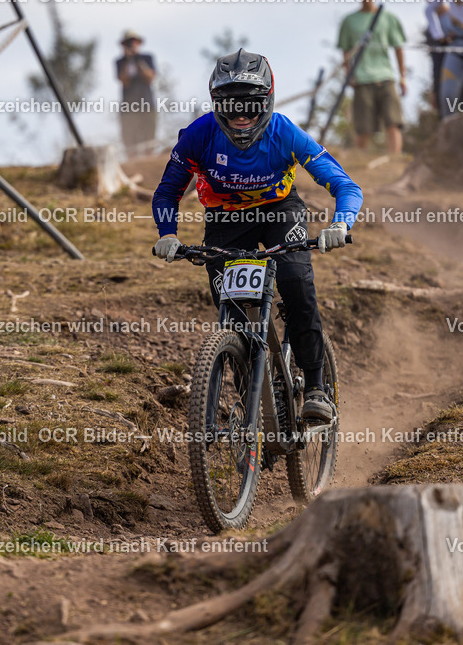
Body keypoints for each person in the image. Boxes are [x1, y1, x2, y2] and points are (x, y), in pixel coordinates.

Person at [151, 49, 364, 425]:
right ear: (217, 105)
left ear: (267, 101)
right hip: (226, 220)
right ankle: (254, 405)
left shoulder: (284, 132)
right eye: (231, 106)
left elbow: (344, 184)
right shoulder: (198, 136)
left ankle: (315, 388)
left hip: (279, 213)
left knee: (296, 283)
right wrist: (167, 233)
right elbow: (167, 192)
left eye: (250, 105)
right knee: (232, 313)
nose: (240, 116)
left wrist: (340, 225)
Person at [336, 0, 406, 154]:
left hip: (386, 76)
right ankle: (361, 162)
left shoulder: (388, 18)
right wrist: (349, 74)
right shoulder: (349, 21)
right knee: (363, 127)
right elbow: (345, 51)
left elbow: (398, 47)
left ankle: (395, 160)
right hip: (361, 79)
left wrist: (403, 77)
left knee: (393, 121)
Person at [115, 29, 157, 156]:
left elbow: (150, 77)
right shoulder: (120, 62)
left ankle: (149, 161)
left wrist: (138, 60)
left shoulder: (147, 58)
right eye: (128, 42)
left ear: (138, 43)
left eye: (132, 42)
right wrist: (128, 59)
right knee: (129, 139)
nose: (130, 44)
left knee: (149, 137)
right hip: (129, 106)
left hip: (147, 103)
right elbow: (123, 80)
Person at [421, 0, 446, 111]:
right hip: (446, 76)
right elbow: (436, 65)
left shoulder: (459, 15)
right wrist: (435, 92)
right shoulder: (431, 30)